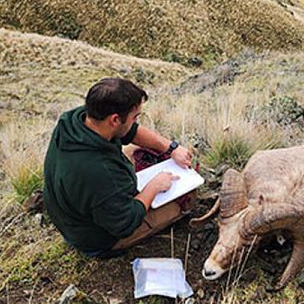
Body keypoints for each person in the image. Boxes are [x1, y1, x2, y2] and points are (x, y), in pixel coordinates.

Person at [43, 77, 194, 258]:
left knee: (138, 147)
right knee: (187, 198)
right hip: (95, 238)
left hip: (71, 215)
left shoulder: (75, 120)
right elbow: (126, 222)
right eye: (135, 117)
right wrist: (154, 187)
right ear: (115, 119)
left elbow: (131, 131)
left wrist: (171, 148)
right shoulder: (98, 171)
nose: (136, 121)